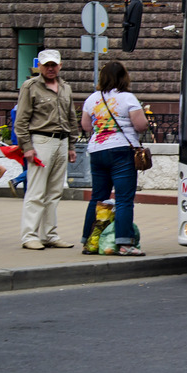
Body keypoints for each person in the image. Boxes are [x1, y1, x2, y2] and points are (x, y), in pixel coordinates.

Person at [81, 61, 149, 256]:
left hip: (97, 150)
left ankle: (90, 242)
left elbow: (86, 126)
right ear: (123, 78)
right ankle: (125, 244)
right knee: (124, 199)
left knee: (98, 197)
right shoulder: (127, 98)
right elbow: (141, 125)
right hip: (121, 151)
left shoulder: (92, 99)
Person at [15, 49, 79, 250]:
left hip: (61, 142)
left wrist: (71, 145)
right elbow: (22, 119)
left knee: (54, 192)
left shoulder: (65, 87)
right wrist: (27, 147)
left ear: (60, 65)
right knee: (36, 191)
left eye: (54, 65)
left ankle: (50, 234)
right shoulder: (30, 86)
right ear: (39, 67)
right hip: (41, 141)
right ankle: (29, 235)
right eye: (46, 65)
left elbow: (71, 118)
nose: (50, 68)